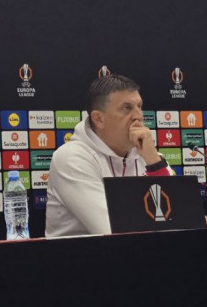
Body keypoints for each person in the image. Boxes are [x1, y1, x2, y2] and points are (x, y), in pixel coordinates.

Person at [46, 75, 174, 237]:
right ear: (99, 119)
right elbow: (111, 230)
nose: (138, 116)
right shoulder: (71, 158)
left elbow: (180, 217)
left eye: (139, 106)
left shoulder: (151, 158)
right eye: (127, 108)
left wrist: (154, 162)